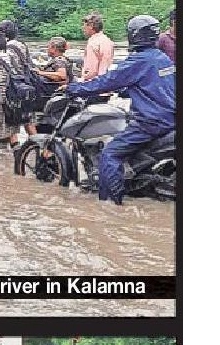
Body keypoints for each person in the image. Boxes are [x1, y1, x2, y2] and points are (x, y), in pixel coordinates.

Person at [62, 15, 176, 205]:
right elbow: (154, 85)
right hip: (169, 118)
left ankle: (111, 204)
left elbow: (106, 80)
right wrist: (127, 90)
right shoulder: (161, 58)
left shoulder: (137, 61)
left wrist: (73, 89)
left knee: (110, 154)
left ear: (134, 35)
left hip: (151, 122)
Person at [80, 13, 115, 83]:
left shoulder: (93, 43)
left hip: (94, 83)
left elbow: (91, 70)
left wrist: (83, 79)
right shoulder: (107, 40)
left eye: (84, 26)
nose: (83, 28)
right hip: (105, 81)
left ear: (91, 26)